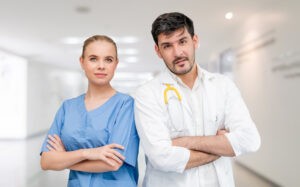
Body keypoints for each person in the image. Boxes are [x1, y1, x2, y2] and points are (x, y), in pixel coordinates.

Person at [134, 12, 261, 187]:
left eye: (182, 41)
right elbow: (161, 158)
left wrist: (186, 142)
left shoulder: (223, 86)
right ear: (158, 51)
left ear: (195, 41)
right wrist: (220, 148)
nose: (177, 52)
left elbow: (250, 140)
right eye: (167, 46)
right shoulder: (147, 94)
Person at [40, 35, 139, 187]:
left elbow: (113, 162)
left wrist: (65, 159)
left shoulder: (125, 105)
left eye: (108, 60)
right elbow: (46, 161)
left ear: (116, 64)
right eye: (93, 59)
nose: (101, 66)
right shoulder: (68, 108)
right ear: (82, 62)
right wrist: (87, 153)